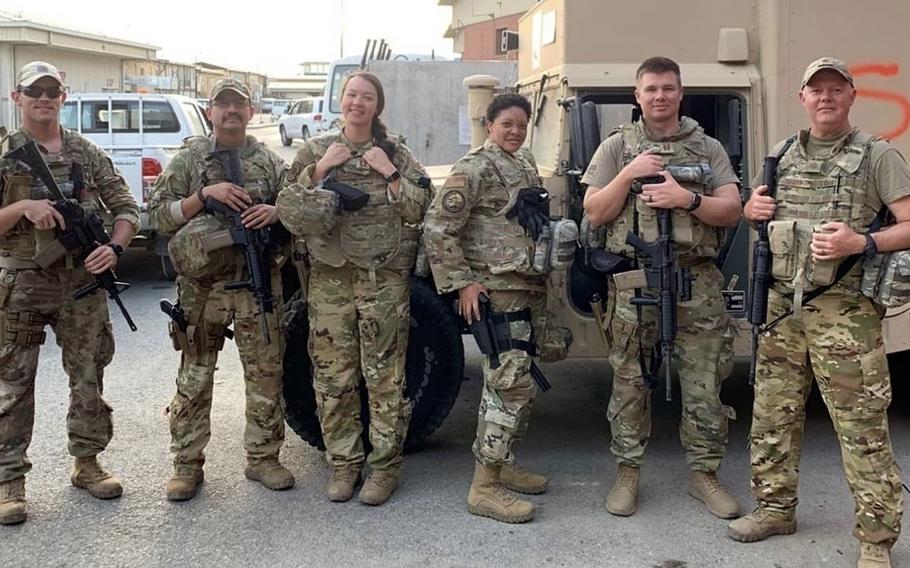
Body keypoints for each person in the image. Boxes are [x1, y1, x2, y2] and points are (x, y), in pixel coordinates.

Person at [728, 57, 909, 568]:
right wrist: (751, 211)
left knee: (860, 426)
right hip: (784, 311)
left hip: (845, 312)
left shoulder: (878, 155)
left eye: (836, 89)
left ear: (852, 96)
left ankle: (876, 541)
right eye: (816, 90)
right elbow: (761, 217)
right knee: (772, 417)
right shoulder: (781, 155)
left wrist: (864, 240)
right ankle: (774, 507)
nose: (825, 97)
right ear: (802, 98)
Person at [582, 56, 743, 519]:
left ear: (680, 94)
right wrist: (629, 174)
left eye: (668, 88)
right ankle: (628, 471)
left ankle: (705, 474)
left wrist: (687, 198)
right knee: (630, 381)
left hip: (698, 281)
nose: (659, 96)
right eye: (650, 89)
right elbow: (594, 211)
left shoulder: (707, 147)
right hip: (636, 281)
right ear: (637, 96)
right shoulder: (617, 147)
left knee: (705, 384)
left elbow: (731, 209)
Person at [276, 71, 431, 506]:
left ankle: (384, 469)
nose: (357, 103)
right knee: (332, 378)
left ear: (377, 107)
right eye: (351, 96)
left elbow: (423, 207)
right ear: (340, 102)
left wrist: (391, 173)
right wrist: (321, 169)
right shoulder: (315, 150)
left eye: (366, 97)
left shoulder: (394, 150)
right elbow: (287, 212)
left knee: (384, 379)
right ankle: (343, 466)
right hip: (329, 282)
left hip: (382, 282)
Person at [0, 61, 140, 525]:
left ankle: (87, 462)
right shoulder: (4, 154)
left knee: (88, 376)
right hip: (22, 284)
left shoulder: (87, 153)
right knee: (13, 384)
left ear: (63, 96)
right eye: (33, 90)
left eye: (52, 90)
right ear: (18, 98)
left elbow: (126, 208)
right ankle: (8, 481)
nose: (43, 97)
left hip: (81, 284)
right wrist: (22, 207)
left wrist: (114, 250)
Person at [424, 93, 567, 524]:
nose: (515, 131)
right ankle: (484, 486)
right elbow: (437, 228)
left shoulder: (522, 165)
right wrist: (463, 282)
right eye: (507, 123)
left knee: (515, 381)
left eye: (522, 125)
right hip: (497, 290)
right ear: (490, 125)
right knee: (508, 384)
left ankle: (502, 462)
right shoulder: (474, 169)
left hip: (527, 286)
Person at [149, 78, 292, 501]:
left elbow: (296, 209)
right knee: (194, 375)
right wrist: (203, 196)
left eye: (239, 104)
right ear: (210, 111)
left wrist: (275, 211)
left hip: (256, 284)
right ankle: (186, 464)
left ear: (250, 112)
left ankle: (263, 457)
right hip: (202, 288)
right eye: (223, 104)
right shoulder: (190, 159)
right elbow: (158, 216)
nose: (231, 111)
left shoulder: (269, 162)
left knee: (266, 374)